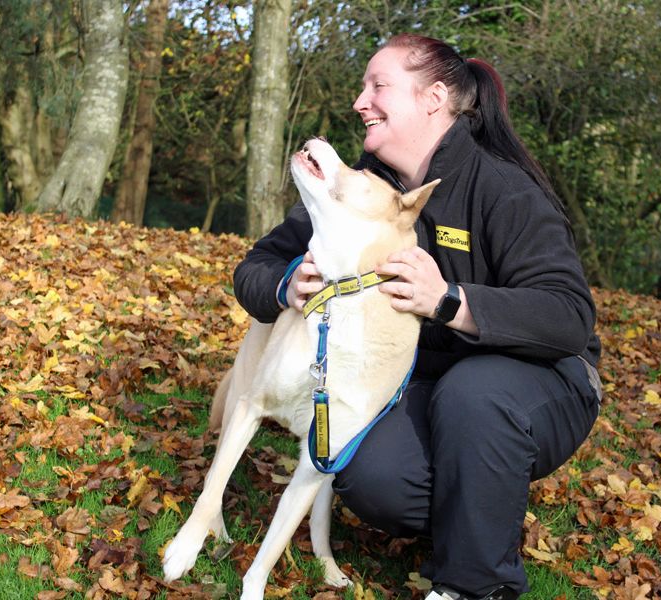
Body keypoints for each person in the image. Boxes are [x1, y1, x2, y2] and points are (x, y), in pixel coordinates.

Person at [233, 33, 602, 600]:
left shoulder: (503, 188)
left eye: (378, 86)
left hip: (545, 380)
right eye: (362, 87)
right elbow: (256, 265)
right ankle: (481, 514)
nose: (360, 101)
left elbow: (569, 316)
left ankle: (474, 585)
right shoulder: (361, 187)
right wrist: (287, 285)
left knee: (474, 392)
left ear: (433, 99)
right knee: (363, 472)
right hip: (425, 385)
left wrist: (450, 302)